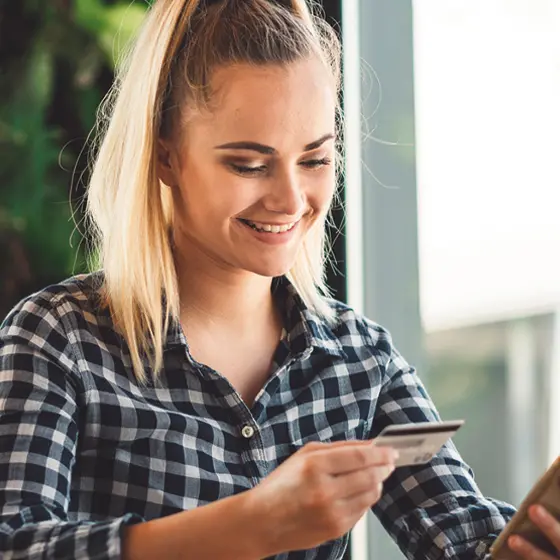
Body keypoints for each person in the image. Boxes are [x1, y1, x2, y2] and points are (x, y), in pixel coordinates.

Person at [0, 0, 557, 558]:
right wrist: (250, 523)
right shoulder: (60, 339)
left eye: (314, 160)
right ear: (165, 157)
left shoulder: (358, 360)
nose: (291, 200)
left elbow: (468, 541)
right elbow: (15, 543)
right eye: (248, 164)